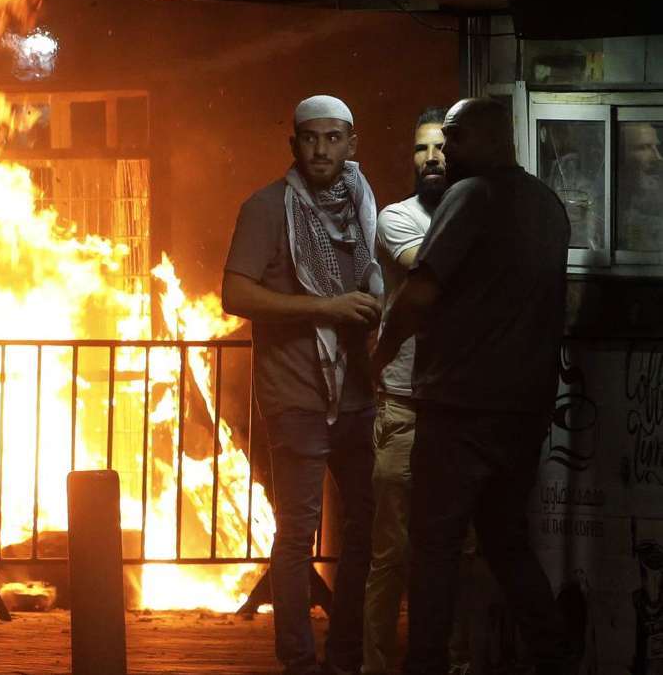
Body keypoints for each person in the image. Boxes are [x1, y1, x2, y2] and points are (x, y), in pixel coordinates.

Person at [372, 98, 575, 675]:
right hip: (524, 407)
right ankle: (553, 651)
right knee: (505, 539)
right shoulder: (547, 204)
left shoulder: (470, 196)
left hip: (459, 405)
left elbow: (422, 291)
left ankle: (426, 664)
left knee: (434, 544)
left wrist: (381, 353)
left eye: (454, 138)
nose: (445, 152)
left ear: (486, 139)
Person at [222, 94, 380, 675]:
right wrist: (327, 307)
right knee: (297, 533)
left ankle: (345, 654)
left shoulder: (364, 206)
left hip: (358, 397)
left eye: (333, 138)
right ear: (294, 144)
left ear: (351, 143)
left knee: (364, 528)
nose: (322, 149)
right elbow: (235, 295)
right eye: (310, 138)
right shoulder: (266, 208)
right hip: (295, 396)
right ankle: (299, 661)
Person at [363, 107, 476, 675]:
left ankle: (456, 664)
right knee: (393, 552)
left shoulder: (478, 213)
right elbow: (433, 271)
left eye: (441, 148)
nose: (432, 158)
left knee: (459, 548)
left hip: (458, 408)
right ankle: (377, 666)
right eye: (420, 149)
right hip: (405, 402)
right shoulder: (396, 217)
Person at [618, 122, 663, 252]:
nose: (658, 157)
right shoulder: (605, 197)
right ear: (622, 153)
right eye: (644, 147)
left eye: (656, 147)